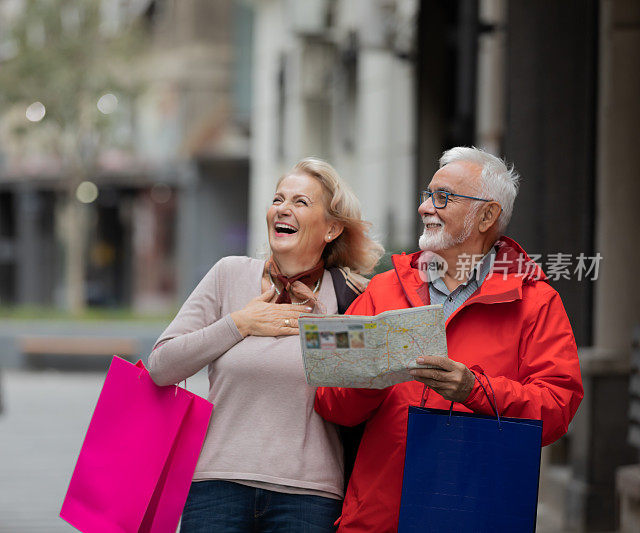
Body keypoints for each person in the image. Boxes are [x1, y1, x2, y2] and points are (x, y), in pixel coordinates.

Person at [314, 147, 584, 532]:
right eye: (427, 195)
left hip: (476, 514)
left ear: (488, 215)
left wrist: (476, 390)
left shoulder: (536, 302)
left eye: (443, 198)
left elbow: (558, 409)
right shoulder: (383, 290)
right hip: (378, 517)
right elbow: (330, 401)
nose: (426, 207)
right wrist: (373, 378)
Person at [148, 158, 383, 532]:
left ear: (332, 228)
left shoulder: (353, 297)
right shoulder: (229, 274)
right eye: (278, 199)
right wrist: (240, 324)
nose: (283, 209)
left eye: (301, 202)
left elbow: (361, 396)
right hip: (216, 488)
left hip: (309, 498)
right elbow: (160, 367)